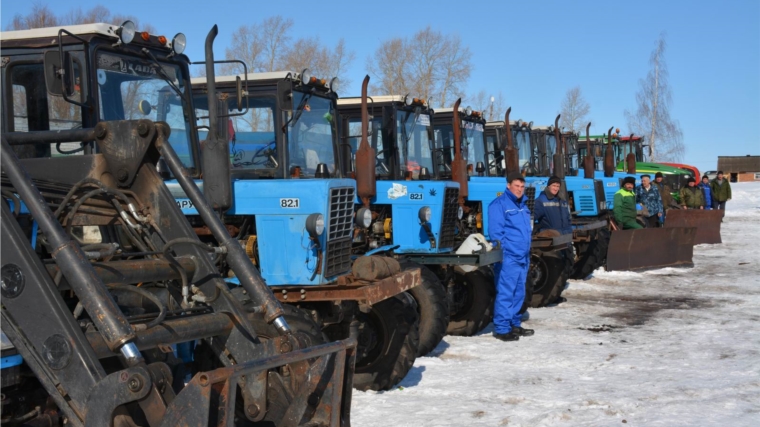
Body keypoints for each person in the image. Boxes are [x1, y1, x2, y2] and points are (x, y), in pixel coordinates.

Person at [488, 172, 534, 342]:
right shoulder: (499, 205)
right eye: (516, 186)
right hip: (509, 257)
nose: (519, 189)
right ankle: (501, 328)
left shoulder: (523, 205)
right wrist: (504, 253)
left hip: (523, 256)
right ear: (508, 186)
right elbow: (496, 233)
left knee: (519, 292)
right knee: (506, 292)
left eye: (522, 187)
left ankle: (514, 324)